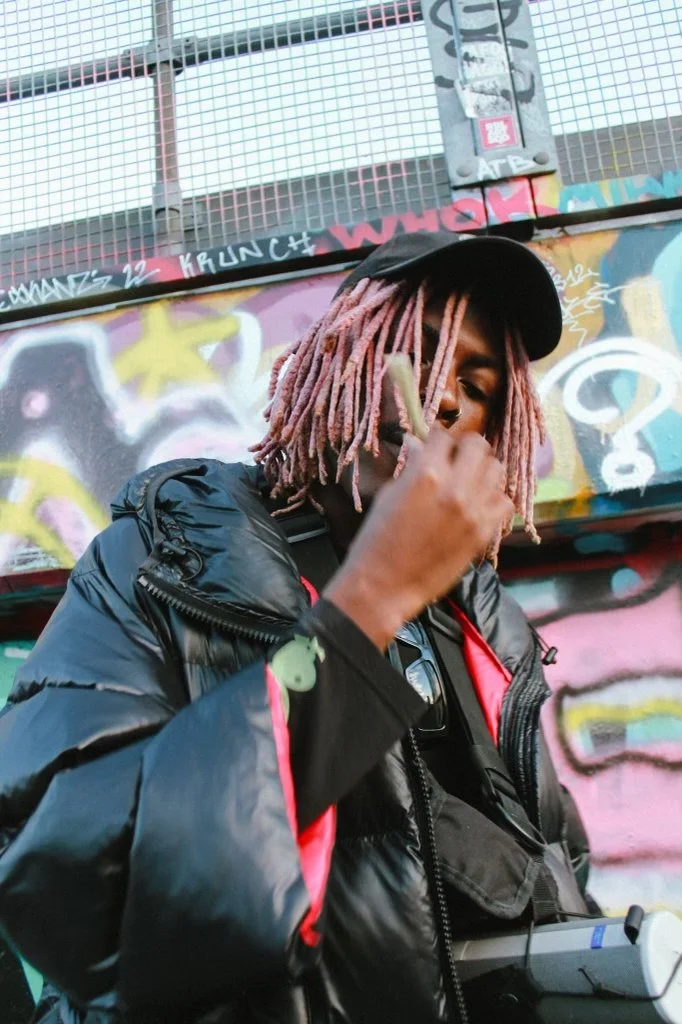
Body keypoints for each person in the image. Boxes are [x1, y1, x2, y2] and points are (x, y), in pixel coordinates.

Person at [0, 232, 591, 1024]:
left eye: (477, 385)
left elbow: (560, 876)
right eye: (417, 352)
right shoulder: (163, 558)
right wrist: (372, 600)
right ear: (333, 362)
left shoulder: (492, 635)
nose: (445, 397)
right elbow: (79, 888)